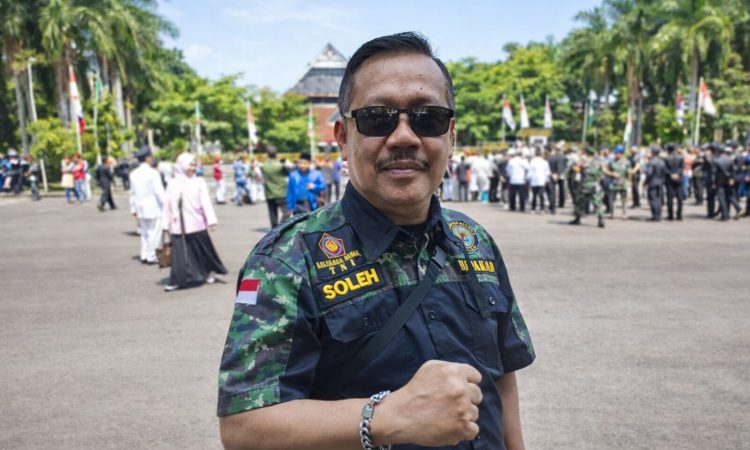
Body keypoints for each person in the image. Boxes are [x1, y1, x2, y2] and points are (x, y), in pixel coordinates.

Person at [218, 32, 535, 450]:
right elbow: (243, 427)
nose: (404, 137)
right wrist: (384, 417)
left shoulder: (473, 241)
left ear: (451, 136)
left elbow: (502, 375)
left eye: (428, 118)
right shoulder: (289, 259)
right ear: (342, 137)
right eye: (377, 117)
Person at [162, 152, 227, 291]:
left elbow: (206, 203)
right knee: (178, 255)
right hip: (177, 224)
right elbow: (167, 204)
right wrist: (165, 223)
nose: (192, 168)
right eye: (190, 165)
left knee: (203, 251)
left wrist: (211, 221)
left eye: (194, 165)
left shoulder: (198, 182)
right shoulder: (172, 183)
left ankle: (210, 271)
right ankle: (177, 280)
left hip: (196, 222)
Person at [129, 147, 165, 264]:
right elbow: (159, 192)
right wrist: (167, 205)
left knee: (144, 232)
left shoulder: (133, 174)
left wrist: (133, 208)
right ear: (147, 158)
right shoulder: (153, 173)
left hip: (140, 206)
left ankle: (144, 254)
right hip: (153, 206)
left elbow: (132, 193)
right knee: (154, 232)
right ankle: (152, 255)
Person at [570, 147, 612, 228]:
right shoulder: (599, 161)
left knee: (579, 202)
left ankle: (577, 218)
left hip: (584, 185)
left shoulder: (583, 161)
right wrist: (612, 174)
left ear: (586, 153)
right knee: (597, 203)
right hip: (595, 185)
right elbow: (604, 170)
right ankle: (601, 220)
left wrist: (574, 166)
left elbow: (576, 170)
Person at [259, 145, 289, 228]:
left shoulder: (263, 166)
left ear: (267, 154)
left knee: (272, 213)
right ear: (276, 154)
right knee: (287, 212)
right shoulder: (280, 165)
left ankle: (274, 229)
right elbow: (288, 173)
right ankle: (281, 227)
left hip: (269, 192)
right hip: (282, 192)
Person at [713, 144, 742, 221]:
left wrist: (713, 182)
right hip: (728, 180)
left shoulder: (716, 160)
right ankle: (737, 207)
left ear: (717, 151)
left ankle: (725, 215)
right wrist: (732, 179)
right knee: (729, 195)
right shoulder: (730, 159)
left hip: (719, 180)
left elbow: (714, 172)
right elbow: (733, 170)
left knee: (721, 198)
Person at [608, 146, 632, 220]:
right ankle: (612, 213)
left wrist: (629, 182)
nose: (615, 154)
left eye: (617, 153)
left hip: (623, 183)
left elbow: (629, 173)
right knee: (611, 199)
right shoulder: (611, 161)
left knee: (624, 200)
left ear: (621, 153)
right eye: (615, 153)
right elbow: (607, 170)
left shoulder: (627, 162)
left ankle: (624, 214)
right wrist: (612, 174)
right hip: (613, 183)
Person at [644, 146, 667, 221]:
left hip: (652, 182)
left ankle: (655, 215)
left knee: (653, 199)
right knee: (658, 199)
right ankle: (659, 214)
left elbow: (649, 173)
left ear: (653, 152)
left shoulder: (652, 162)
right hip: (660, 182)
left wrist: (646, 182)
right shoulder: (662, 161)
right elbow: (664, 173)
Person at [663, 144, 684, 221]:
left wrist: (671, 174)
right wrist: (677, 174)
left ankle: (670, 215)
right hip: (679, 179)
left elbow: (665, 169)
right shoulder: (680, 157)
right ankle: (679, 215)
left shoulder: (666, 158)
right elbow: (682, 167)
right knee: (680, 198)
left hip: (670, 179)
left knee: (670, 198)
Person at [529, 147, 550, 213]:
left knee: (534, 195)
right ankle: (542, 209)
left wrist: (528, 179)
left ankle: (533, 209)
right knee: (541, 195)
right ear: (541, 154)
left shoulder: (532, 161)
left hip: (534, 180)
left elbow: (530, 171)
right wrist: (547, 180)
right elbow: (547, 172)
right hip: (542, 180)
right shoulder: (545, 162)